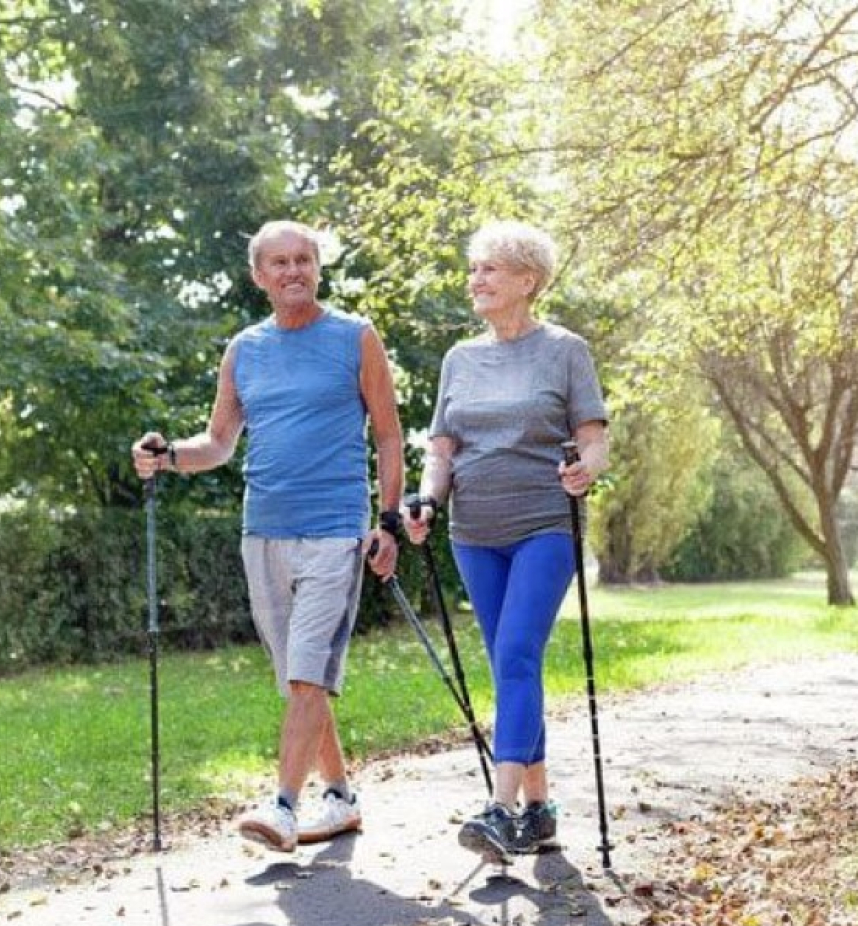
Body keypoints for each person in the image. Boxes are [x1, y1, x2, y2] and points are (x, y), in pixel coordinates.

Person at [131, 220, 404, 853]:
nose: (293, 271)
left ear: (318, 268)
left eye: (303, 260)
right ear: (259, 276)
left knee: (308, 670)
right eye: (279, 262)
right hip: (264, 531)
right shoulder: (244, 350)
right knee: (298, 674)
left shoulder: (355, 338)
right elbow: (219, 443)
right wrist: (168, 455)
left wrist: (386, 521)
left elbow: (389, 435)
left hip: (336, 529)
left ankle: (284, 806)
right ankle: (339, 797)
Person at [405, 220, 609, 863]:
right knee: (509, 666)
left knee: (518, 652)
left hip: (544, 523)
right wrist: (426, 500)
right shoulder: (459, 360)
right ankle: (540, 807)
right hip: (473, 532)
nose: (476, 280)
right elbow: (442, 450)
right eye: (473, 269)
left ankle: (498, 808)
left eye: (489, 268)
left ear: (528, 279)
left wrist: (586, 470)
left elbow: (595, 437)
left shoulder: (564, 350)